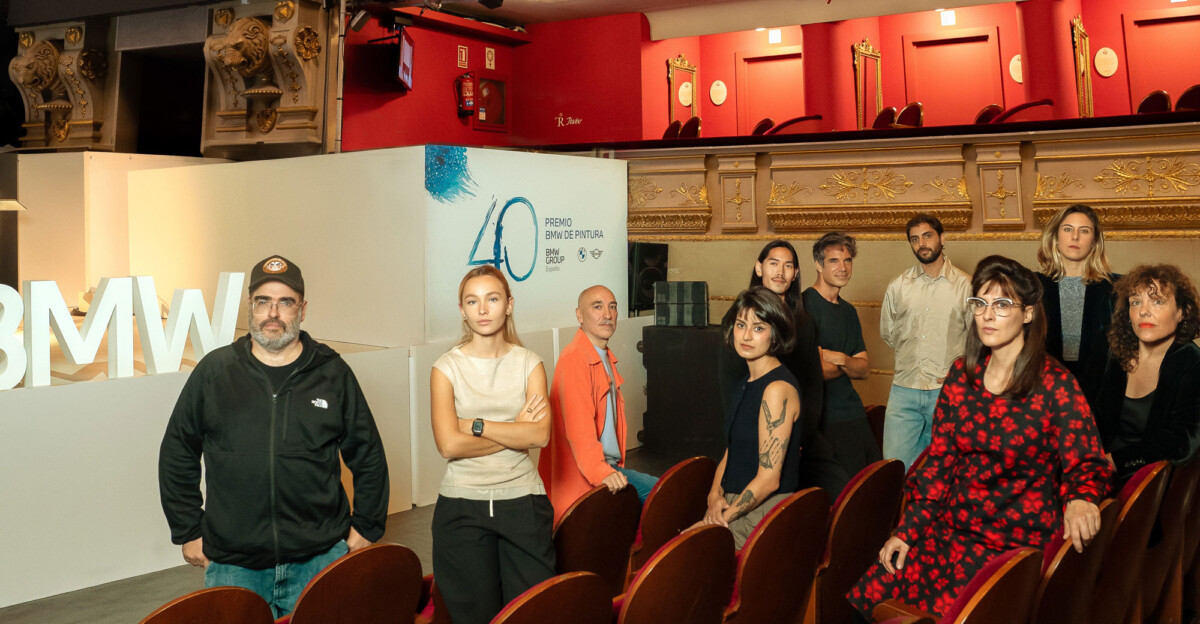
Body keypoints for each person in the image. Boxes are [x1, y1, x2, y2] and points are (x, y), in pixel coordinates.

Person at [847, 255, 1113, 621]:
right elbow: (939, 465)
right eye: (980, 303)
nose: (987, 315)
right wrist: (907, 532)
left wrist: (1082, 497)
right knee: (870, 600)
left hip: (1017, 541)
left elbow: (1086, 460)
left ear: (1028, 313)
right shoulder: (962, 375)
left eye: (1002, 304)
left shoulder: (1056, 385)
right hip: (954, 529)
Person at [158, 255, 390, 618]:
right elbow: (178, 450)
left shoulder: (332, 372)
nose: (273, 313)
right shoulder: (215, 372)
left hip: (319, 558)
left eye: (286, 302)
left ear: (303, 310)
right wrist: (188, 530)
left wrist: (367, 525)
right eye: (263, 301)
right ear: (250, 306)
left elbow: (368, 453)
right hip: (234, 563)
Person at [429, 265, 555, 624]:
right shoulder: (445, 368)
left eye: (493, 299)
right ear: (462, 310)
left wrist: (477, 426)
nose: (482, 310)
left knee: (532, 614)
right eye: (473, 301)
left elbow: (540, 436)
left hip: (523, 503)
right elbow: (449, 445)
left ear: (509, 305)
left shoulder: (530, 363)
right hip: (461, 509)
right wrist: (515, 429)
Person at [719, 240, 849, 496]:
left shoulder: (804, 322)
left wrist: (800, 436)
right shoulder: (738, 320)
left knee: (843, 490)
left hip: (801, 431)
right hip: (756, 433)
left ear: (795, 273)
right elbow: (730, 387)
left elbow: (813, 386)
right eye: (773, 264)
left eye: (788, 266)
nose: (780, 272)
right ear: (759, 268)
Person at [539, 285, 658, 524]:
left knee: (663, 494)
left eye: (612, 307)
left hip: (606, 467)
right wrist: (601, 473)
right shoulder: (575, 358)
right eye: (597, 306)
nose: (607, 314)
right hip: (586, 474)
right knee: (665, 493)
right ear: (579, 315)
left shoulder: (603, 356)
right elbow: (579, 430)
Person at [698, 287, 803, 549]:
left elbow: (769, 480)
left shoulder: (776, 390)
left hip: (762, 511)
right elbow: (732, 450)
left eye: (758, 328)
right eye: (741, 324)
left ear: (775, 334)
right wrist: (714, 495)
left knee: (683, 558)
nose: (746, 336)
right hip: (736, 502)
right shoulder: (746, 382)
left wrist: (720, 519)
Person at [1084, 264, 1200, 481]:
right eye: (1136, 302)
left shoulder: (1193, 363)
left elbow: (1183, 442)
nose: (1143, 311)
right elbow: (1083, 413)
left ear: (1182, 312)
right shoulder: (1109, 349)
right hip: (1092, 465)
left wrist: (1111, 462)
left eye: (1158, 301)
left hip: (1150, 481)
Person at [880, 214, 972, 470]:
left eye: (927, 236)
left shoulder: (966, 285)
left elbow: (977, 339)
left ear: (942, 238)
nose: (921, 243)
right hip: (903, 389)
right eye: (914, 239)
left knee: (947, 469)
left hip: (947, 391)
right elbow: (888, 332)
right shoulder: (898, 286)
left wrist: (958, 370)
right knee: (894, 469)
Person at [803, 232, 880, 478]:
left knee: (875, 483)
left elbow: (864, 370)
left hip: (854, 411)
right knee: (845, 491)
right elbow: (815, 371)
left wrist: (840, 358)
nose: (843, 268)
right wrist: (850, 363)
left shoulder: (848, 311)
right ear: (818, 265)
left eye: (847, 260)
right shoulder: (804, 306)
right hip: (825, 419)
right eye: (834, 261)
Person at [1036, 204, 1118, 380]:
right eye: (1067, 229)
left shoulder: (1115, 288)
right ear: (1055, 237)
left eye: (1084, 231)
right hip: (1045, 384)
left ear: (1094, 242)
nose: (1075, 236)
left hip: (1100, 386)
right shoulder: (1033, 286)